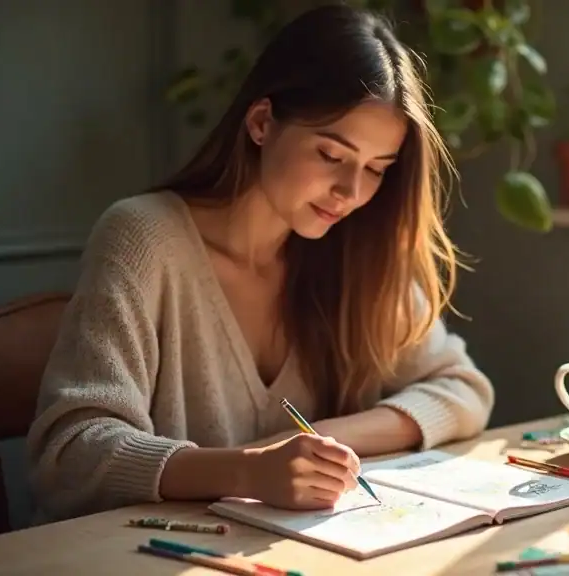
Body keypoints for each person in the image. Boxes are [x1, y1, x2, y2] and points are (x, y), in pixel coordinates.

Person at [26, 4, 494, 524]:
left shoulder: (356, 247)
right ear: (262, 122)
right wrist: (249, 471)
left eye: (376, 169)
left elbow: (464, 389)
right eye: (331, 156)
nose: (352, 192)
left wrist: (317, 442)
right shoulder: (143, 239)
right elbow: (71, 452)